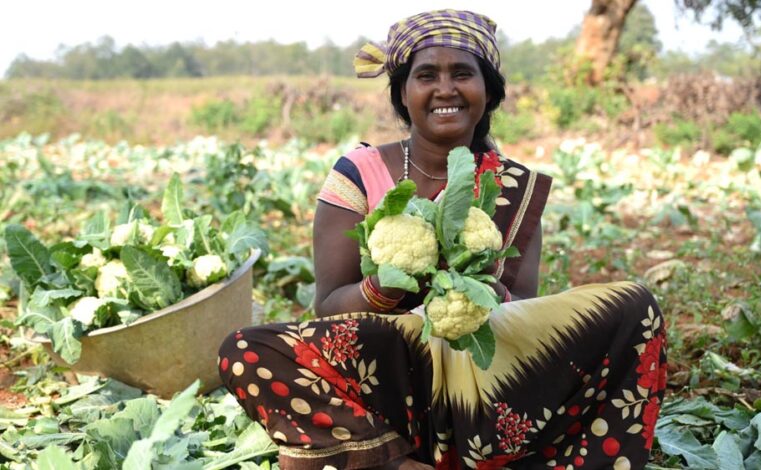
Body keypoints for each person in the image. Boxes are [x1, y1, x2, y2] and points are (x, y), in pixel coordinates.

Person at [219, 9, 666, 470]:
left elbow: (523, 310)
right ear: (403, 93)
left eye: (463, 74)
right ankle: (397, 461)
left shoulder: (514, 185)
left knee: (635, 307)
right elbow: (328, 303)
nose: (446, 89)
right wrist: (385, 289)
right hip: (388, 373)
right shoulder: (359, 173)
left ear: (487, 90)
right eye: (426, 75)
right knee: (244, 351)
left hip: (489, 380)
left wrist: (482, 294)